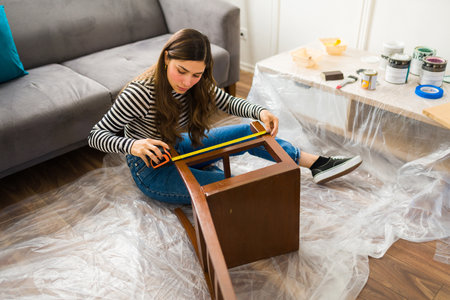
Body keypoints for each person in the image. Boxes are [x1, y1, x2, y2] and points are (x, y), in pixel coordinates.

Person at [88, 28, 362, 205]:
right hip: (152, 168)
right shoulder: (139, 93)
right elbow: (96, 135)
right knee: (230, 188)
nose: (187, 82)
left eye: (196, 75)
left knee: (252, 131)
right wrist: (133, 145)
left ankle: (318, 164)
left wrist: (260, 110)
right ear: (166, 59)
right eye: (181, 71)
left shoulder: (197, 83)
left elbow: (228, 102)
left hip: (178, 145)